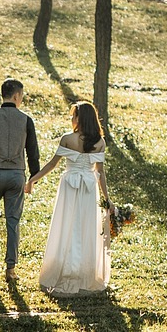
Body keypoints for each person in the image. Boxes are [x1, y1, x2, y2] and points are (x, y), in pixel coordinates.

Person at [28, 100, 115, 296]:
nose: (71, 118)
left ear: (80, 118)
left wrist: (32, 180)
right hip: (89, 187)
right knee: (84, 227)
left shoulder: (68, 138)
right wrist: (106, 198)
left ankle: (68, 269)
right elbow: (100, 173)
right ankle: (82, 271)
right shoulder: (100, 142)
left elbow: (52, 164)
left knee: (68, 225)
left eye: (74, 115)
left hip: (70, 185)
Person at [0, 78, 41, 277]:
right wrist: (33, 178)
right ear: (16, 96)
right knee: (13, 221)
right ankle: (10, 269)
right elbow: (33, 152)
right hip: (16, 175)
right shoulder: (26, 120)